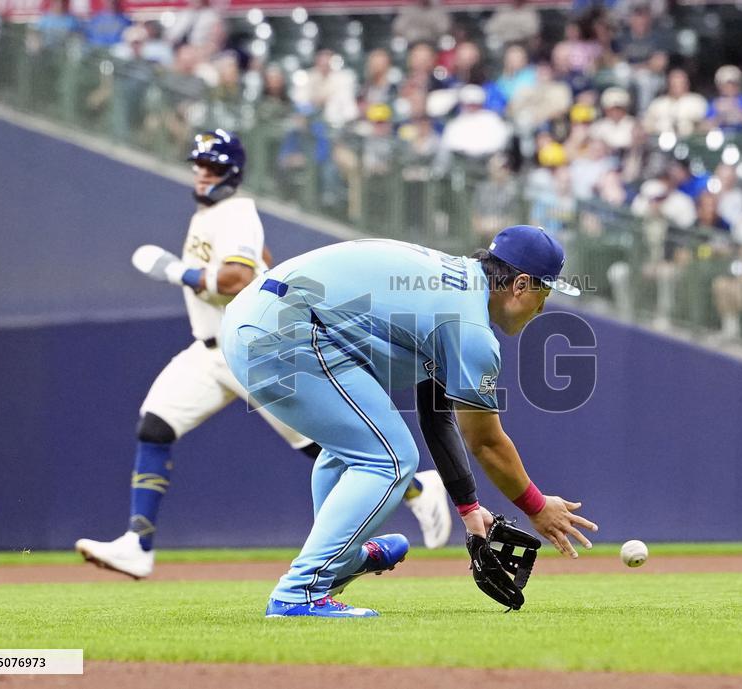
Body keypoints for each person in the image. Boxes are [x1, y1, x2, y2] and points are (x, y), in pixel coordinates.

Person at [75, 131, 453, 578]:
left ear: (231, 172)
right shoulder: (216, 215)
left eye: (211, 166)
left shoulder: (236, 213)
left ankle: (412, 489)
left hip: (252, 352)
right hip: (209, 350)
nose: (201, 173)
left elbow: (236, 278)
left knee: (326, 442)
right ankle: (138, 543)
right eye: (198, 165)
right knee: (155, 425)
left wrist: (178, 271)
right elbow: (261, 264)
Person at [220, 227, 597, 617]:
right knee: (390, 460)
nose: (542, 307)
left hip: (258, 320)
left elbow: (436, 414)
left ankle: (336, 563)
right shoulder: (470, 330)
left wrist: (470, 511)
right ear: (520, 284)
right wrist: (536, 506)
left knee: (354, 451)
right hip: (283, 330)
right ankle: (300, 591)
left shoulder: (459, 289)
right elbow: (485, 441)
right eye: (544, 292)